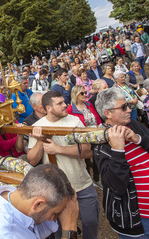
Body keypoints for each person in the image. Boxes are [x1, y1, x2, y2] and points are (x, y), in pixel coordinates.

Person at [94, 88, 149, 238]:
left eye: (128, 105)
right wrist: (118, 150)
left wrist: (139, 139)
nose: (129, 110)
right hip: (138, 223)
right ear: (108, 113)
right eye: (124, 107)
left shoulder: (134, 126)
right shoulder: (102, 142)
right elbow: (116, 187)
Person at [27, 91, 99, 239]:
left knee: (90, 221)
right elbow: (32, 160)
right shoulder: (37, 126)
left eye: (64, 102)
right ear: (49, 108)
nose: (65, 105)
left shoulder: (75, 122)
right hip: (56, 189)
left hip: (82, 183)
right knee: (60, 229)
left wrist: (58, 149)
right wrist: (41, 140)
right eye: (59, 103)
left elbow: (87, 151)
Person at [0, 164, 79, 239]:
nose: (53, 219)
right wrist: (69, 228)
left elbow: (36, 232)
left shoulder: (17, 196)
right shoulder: (0, 235)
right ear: (38, 204)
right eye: (55, 213)